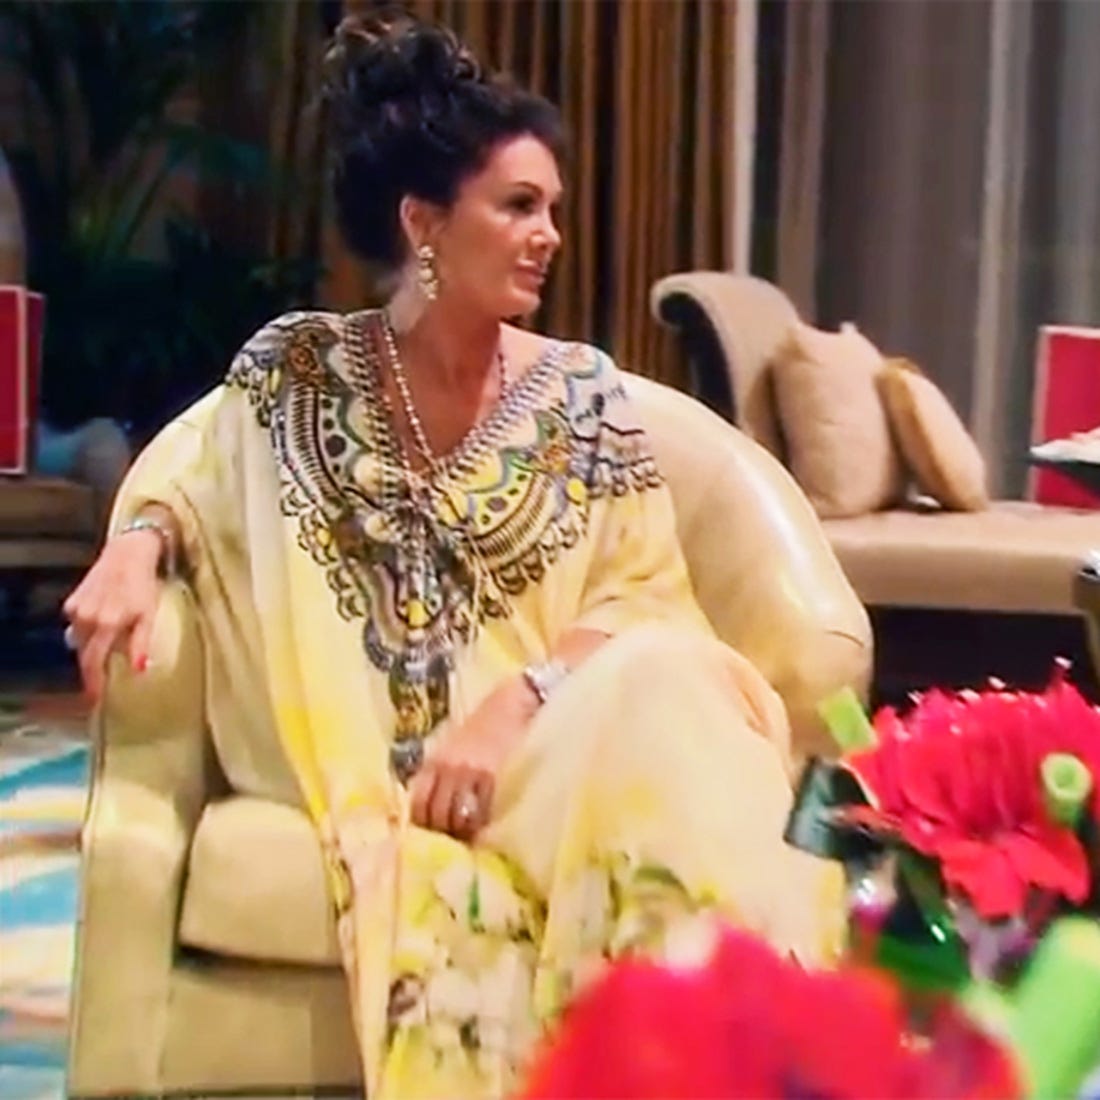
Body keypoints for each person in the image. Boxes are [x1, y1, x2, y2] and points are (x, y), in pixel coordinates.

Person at [63, 13, 841, 1099]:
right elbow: (187, 472)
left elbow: (644, 597)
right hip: (372, 774)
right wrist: (134, 547)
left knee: (670, 682)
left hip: (548, 760)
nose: (548, 235)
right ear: (422, 222)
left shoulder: (580, 396)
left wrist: (516, 702)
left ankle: (740, 1060)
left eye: (553, 209)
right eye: (517, 206)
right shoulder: (297, 372)